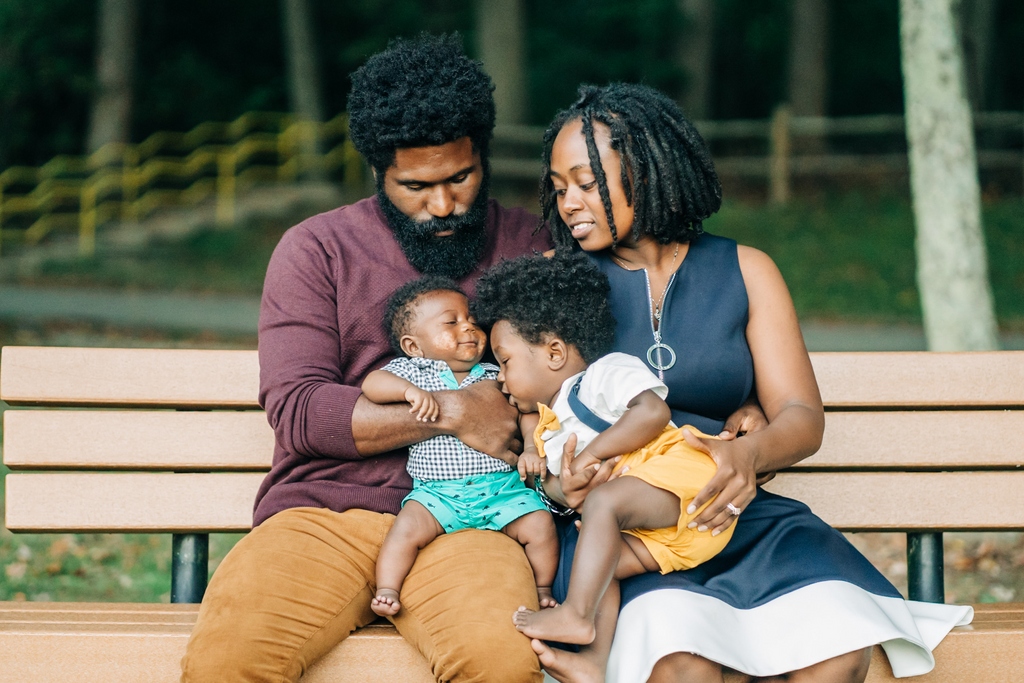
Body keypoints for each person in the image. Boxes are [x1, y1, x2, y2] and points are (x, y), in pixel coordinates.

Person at [524, 83, 972, 683]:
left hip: (731, 516)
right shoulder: (554, 284)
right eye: (560, 190)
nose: (570, 203)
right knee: (681, 660)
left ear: (648, 172)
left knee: (837, 649)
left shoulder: (746, 269)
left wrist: (748, 450)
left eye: (587, 183)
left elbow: (800, 415)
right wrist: (559, 481)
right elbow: (517, 407)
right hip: (621, 532)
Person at [179, 34, 558, 682]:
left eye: (460, 178)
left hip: (474, 518)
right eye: (416, 185)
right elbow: (301, 411)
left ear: (484, 156)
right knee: (228, 663)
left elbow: (569, 378)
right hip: (323, 515)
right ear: (376, 170)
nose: (442, 205)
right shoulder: (317, 249)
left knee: (500, 659)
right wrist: (457, 411)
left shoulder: (529, 243)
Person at [471, 252, 733, 658]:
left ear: (555, 353)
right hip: (666, 539)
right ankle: (593, 662)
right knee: (593, 564)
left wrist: (592, 453)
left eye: (504, 362)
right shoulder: (546, 426)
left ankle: (574, 614)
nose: (500, 378)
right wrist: (554, 482)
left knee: (605, 506)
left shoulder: (600, 375)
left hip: (690, 482)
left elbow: (652, 411)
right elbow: (566, 489)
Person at [362, 276, 558, 617]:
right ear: (412, 346)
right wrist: (408, 393)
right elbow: (372, 384)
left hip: (501, 491)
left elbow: (526, 413)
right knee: (404, 530)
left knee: (540, 524)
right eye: (451, 322)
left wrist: (530, 447)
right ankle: (388, 590)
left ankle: (543, 589)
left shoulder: (494, 374)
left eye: (470, 319)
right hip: (436, 496)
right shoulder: (411, 372)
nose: (468, 327)